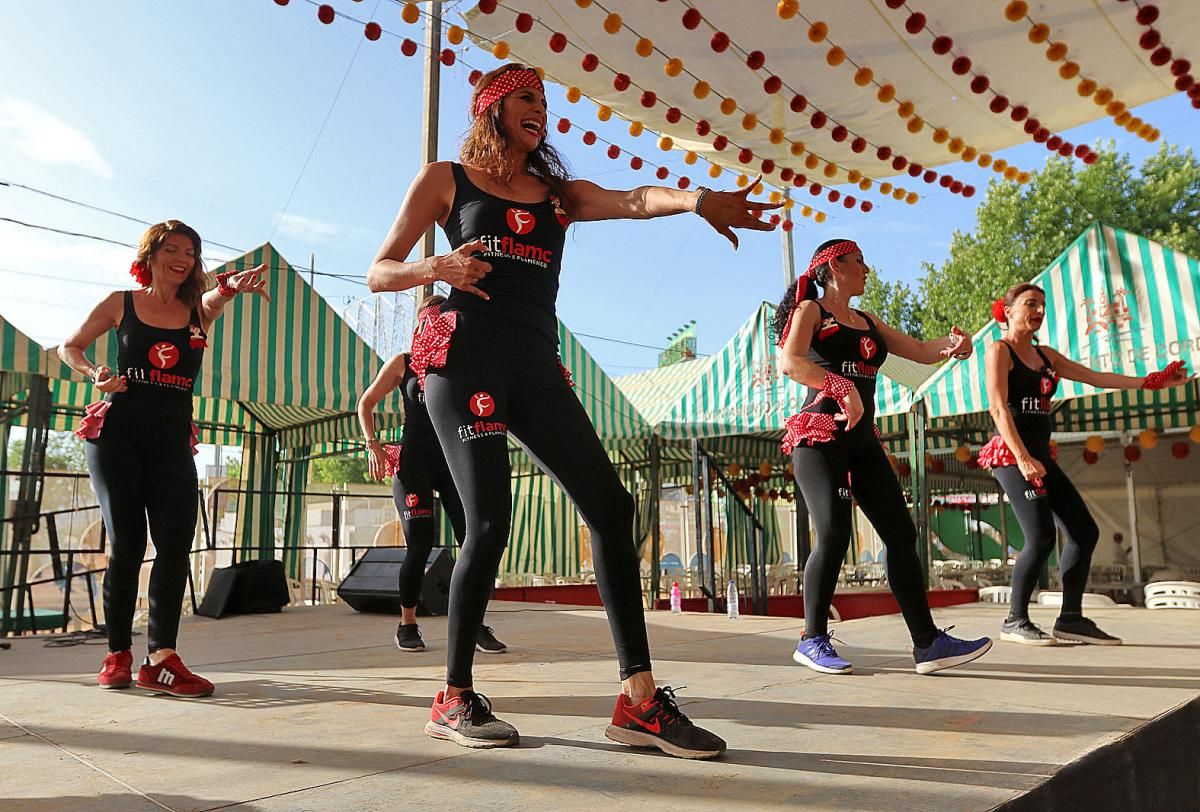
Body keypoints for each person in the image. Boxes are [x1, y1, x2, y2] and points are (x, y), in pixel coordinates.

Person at [368, 63, 773, 757]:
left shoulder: (555, 196)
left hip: (535, 364)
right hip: (463, 359)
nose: (540, 109)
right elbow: (380, 269)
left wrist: (696, 198)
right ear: (491, 107)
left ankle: (638, 702)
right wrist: (436, 269)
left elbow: (633, 199)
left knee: (612, 508)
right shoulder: (445, 179)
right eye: (527, 97)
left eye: (544, 101)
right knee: (489, 522)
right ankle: (454, 697)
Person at [60, 220, 268, 696]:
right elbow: (67, 346)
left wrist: (230, 289)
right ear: (150, 255)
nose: (182, 257)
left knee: (176, 542)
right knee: (128, 544)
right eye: (171, 248)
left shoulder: (196, 310)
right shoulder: (121, 303)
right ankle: (117, 653)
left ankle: (162, 659)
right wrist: (95, 372)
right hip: (117, 436)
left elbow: (215, 301)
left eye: (191, 251)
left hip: (171, 438)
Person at [774, 239, 993, 676]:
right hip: (820, 437)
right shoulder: (811, 312)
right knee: (834, 531)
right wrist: (841, 387)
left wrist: (954, 346)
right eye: (859, 262)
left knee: (900, 533)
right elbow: (790, 362)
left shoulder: (868, 321)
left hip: (861, 441)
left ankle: (928, 643)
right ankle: (812, 638)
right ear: (834, 266)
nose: (867, 269)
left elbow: (920, 351)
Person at [979, 283, 1186, 645]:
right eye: (1030, 304)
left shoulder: (1046, 357)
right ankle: (1015, 619)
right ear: (1007, 311)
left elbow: (1096, 378)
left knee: (1084, 531)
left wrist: (1150, 383)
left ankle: (1070, 619)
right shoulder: (1000, 350)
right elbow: (997, 407)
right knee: (1041, 537)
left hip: (1040, 457)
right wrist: (1024, 458)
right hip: (1012, 457)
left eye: (1042, 305)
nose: (1038, 310)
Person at [356, 294, 505, 655]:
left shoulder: (456, 364)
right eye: (428, 320)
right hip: (413, 466)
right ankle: (407, 623)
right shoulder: (402, 363)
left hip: (452, 462)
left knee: (477, 540)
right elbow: (366, 403)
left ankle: (473, 623)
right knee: (420, 544)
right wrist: (373, 445)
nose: (434, 326)